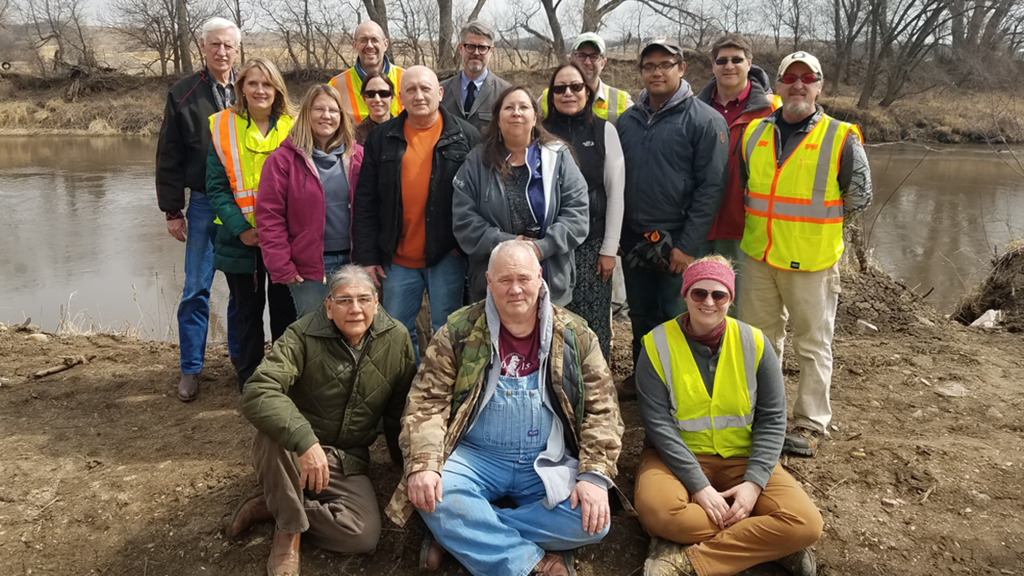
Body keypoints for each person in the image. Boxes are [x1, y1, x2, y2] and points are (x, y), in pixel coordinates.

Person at [385, 240, 626, 576]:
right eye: (504, 280)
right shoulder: (458, 331)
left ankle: (461, 533)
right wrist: (425, 463)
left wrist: (593, 474)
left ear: (540, 277)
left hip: (544, 458)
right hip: (477, 457)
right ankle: (532, 562)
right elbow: (426, 402)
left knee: (592, 521)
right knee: (433, 493)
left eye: (524, 279)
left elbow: (603, 410)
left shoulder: (574, 334)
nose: (516, 289)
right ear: (487, 280)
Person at [633, 255, 822, 576]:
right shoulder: (656, 345)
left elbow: (773, 419)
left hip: (743, 458)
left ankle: (686, 560)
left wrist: (753, 484)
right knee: (660, 513)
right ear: (685, 295)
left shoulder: (756, 344)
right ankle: (770, 543)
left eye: (718, 295)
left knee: (806, 525)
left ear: (730, 300)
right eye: (699, 293)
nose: (708, 302)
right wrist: (699, 487)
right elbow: (659, 426)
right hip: (674, 460)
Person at [228, 265, 416, 576]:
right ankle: (288, 531)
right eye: (343, 301)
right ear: (328, 307)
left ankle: (276, 504)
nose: (355, 309)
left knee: (362, 535)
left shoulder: (397, 338)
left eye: (363, 299)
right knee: (270, 434)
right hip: (295, 452)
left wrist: (405, 463)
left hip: (347, 458)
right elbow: (258, 390)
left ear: (376, 302)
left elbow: (399, 409)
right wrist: (305, 440)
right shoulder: (300, 335)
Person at [738, 52, 872, 457]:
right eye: (789, 77)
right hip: (759, 255)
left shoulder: (841, 136)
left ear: (819, 86)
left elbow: (860, 197)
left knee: (813, 346)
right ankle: (767, 413)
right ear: (777, 86)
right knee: (760, 343)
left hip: (811, 262)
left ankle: (810, 423)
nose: (798, 84)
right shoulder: (754, 133)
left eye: (807, 78)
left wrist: (819, 228)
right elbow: (749, 187)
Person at [351, 66, 480, 362]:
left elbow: (478, 198)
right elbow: (366, 202)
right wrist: (368, 258)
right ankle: (408, 392)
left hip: (447, 256)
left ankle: (443, 391)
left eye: (425, 88)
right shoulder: (381, 138)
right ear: (400, 97)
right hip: (397, 259)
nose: (419, 95)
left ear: (440, 93)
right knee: (396, 332)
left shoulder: (466, 136)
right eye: (410, 90)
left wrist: (463, 248)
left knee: (448, 331)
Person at [616, 37, 729, 371]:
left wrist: (687, 246)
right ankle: (643, 379)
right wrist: (621, 239)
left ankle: (680, 386)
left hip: (677, 241)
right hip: (636, 240)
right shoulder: (627, 121)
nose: (657, 72)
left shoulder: (704, 121)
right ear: (640, 72)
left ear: (681, 68)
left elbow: (711, 188)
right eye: (649, 66)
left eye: (665, 65)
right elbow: (618, 183)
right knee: (641, 316)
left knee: (678, 316)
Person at [155, 17, 242, 403]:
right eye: (215, 45)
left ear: (237, 50)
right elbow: (168, 153)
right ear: (202, 48)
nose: (222, 52)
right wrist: (173, 210)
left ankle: (245, 361)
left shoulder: (252, 88)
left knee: (245, 288)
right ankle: (191, 368)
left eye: (228, 46)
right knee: (196, 289)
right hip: (205, 202)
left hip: (247, 203)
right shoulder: (183, 93)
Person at [453, 86, 589, 308]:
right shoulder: (476, 161)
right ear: (498, 119)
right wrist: (508, 244)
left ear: (535, 118)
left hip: (550, 278)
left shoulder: (558, 157)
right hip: (494, 283)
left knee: (547, 341)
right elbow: (464, 219)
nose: (516, 112)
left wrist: (540, 247)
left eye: (524, 107)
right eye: (509, 108)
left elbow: (578, 214)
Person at [206, 56, 297, 389]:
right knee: (247, 311)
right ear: (241, 87)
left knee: (287, 310)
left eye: (267, 84)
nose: (260, 90)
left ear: (277, 89)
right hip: (239, 239)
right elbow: (215, 187)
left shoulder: (295, 125)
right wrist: (241, 229)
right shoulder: (221, 125)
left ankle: (285, 376)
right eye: (253, 83)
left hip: (286, 239)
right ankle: (250, 378)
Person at [257, 84, 364, 317]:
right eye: (319, 109)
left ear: (341, 116)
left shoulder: (358, 157)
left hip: (355, 261)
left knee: (354, 328)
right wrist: (280, 264)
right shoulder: (282, 161)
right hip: (309, 267)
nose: (327, 116)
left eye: (333, 110)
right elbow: (269, 218)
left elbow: (374, 210)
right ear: (306, 114)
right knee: (316, 333)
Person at [541, 62, 624, 359]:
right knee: (551, 320)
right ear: (551, 95)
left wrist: (609, 249)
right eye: (560, 88)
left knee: (591, 324)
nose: (568, 93)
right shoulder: (539, 131)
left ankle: (593, 386)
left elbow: (615, 193)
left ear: (587, 92)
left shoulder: (604, 131)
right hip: (551, 245)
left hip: (592, 246)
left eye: (575, 87)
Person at [695, 34, 780, 318]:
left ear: (750, 63)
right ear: (712, 66)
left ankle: (736, 362)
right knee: (698, 305)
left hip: (745, 227)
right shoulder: (694, 110)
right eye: (722, 60)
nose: (729, 66)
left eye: (736, 60)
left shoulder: (771, 112)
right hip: (698, 226)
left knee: (737, 309)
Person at [539, 32, 633, 125]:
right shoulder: (546, 98)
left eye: (594, 56)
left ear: (603, 63)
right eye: (581, 55)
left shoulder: (623, 103)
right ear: (570, 59)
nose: (587, 62)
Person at [439, 20, 511, 133]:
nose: (476, 53)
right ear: (460, 48)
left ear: (491, 51)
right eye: (470, 46)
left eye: (482, 48)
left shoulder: (506, 93)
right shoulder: (441, 92)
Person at [329, 20, 403, 123]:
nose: (369, 45)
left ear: (385, 44)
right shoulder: (336, 85)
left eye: (375, 40)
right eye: (363, 40)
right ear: (355, 45)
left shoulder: (407, 80)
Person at [354, 71, 394, 145]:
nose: (377, 99)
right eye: (370, 94)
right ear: (364, 98)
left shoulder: (406, 131)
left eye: (383, 93)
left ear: (392, 97)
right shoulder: (354, 136)